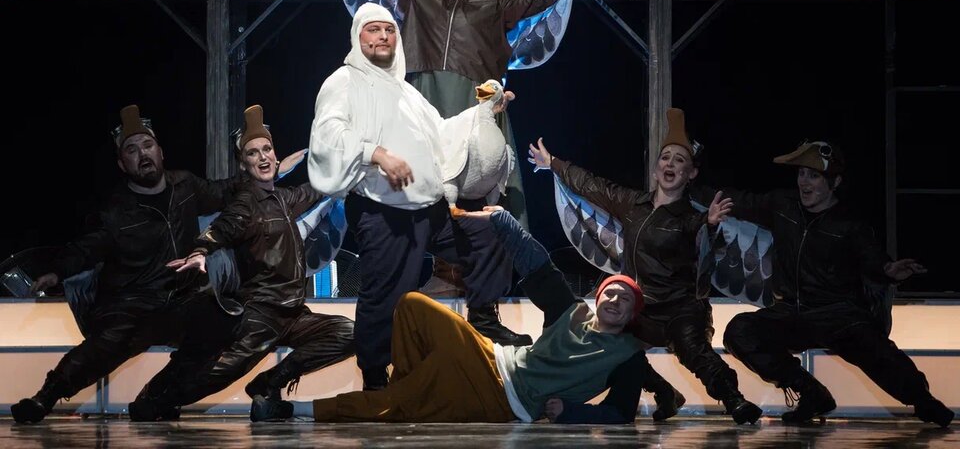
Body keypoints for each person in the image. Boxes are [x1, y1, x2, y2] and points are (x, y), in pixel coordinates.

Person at [303, 0, 596, 296]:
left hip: (473, 96)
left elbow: (536, 2)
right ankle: (440, 270)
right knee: (429, 180)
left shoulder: (495, 0)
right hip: (426, 93)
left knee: (475, 176)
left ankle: (482, 275)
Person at [312, 203, 736, 423]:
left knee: (399, 403)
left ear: (629, 316)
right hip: (489, 356)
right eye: (610, 293)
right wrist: (503, 220)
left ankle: (305, 410)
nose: (614, 300)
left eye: (624, 301)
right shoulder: (571, 312)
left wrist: (571, 413)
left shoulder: (626, 356)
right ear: (597, 298)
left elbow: (620, 413)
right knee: (412, 306)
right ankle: (409, 386)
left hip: (504, 400)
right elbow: (537, 263)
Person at [308, 2, 527, 391]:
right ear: (358, 37)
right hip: (383, 212)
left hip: (430, 210)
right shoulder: (343, 82)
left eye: (389, 30)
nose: (383, 36)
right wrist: (376, 153)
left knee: (491, 234)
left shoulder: (406, 92)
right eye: (374, 30)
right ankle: (375, 376)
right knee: (385, 294)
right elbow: (328, 134)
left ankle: (484, 318)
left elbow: (442, 131)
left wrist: (483, 111)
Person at [528, 108, 763, 424]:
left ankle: (735, 400)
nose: (670, 164)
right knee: (611, 343)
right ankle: (663, 392)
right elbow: (592, 185)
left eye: (679, 160)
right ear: (656, 170)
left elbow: (703, 240)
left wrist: (708, 224)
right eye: (665, 158)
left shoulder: (691, 218)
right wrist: (553, 163)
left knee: (693, 350)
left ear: (690, 173)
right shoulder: (632, 204)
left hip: (680, 309)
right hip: (640, 308)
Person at [10, 105, 241, 424]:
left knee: (221, 321)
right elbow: (85, 248)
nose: (142, 154)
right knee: (107, 343)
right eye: (132, 150)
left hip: (179, 298)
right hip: (131, 303)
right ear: (122, 164)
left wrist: (266, 172)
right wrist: (56, 271)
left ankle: (156, 397)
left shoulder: (186, 186)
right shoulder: (116, 210)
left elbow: (225, 191)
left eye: (147, 146)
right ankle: (44, 397)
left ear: (160, 152)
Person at [712, 140, 954, 427]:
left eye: (814, 176)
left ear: (834, 182)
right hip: (793, 311)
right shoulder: (783, 205)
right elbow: (739, 200)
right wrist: (687, 191)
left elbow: (874, 260)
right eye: (801, 173)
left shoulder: (850, 224)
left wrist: (890, 270)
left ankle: (923, 401)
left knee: (875, 348)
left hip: (838, 313)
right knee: (740, 330)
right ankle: (811, 393)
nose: (804, 182)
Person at [146, 105, 356, 422]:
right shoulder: (246, 203)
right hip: (262, 314)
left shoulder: (285, 199)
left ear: (275, 154)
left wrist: (350, 161)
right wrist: (200, 251)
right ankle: (155, 400)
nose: (262, 157)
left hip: (293, 313)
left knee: (348, 333)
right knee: (218, 374)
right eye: (253, 153)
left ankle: (269, 383)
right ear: (244, 164)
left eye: (267, 149)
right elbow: (221, 228)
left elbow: (316, 189)